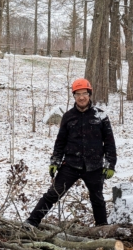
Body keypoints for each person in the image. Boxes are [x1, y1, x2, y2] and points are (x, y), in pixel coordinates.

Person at [24, 78, 117, 229]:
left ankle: (102, 229)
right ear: (74, 96)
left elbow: (110, 143)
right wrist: (55, 161)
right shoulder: (68, 116)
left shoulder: (101, 116)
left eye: (84, 93)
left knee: (97, 199)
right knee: (53, 194)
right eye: (78, 94)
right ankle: (31, 222)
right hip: (71, 165)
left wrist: (110, 164)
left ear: (89, 94)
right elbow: (60, 142)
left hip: (94, 166)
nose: (81, 97)